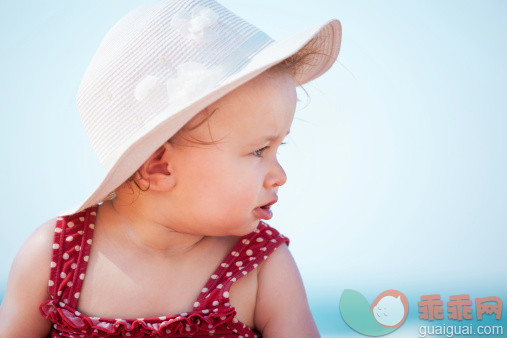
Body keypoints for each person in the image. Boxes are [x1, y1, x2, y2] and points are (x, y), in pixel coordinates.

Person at [0, 0, 342, 336]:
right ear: (161, 168)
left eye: (277, 147)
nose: (280, 175)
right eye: (258, 151)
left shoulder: (261, 268)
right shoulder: (54, 258)